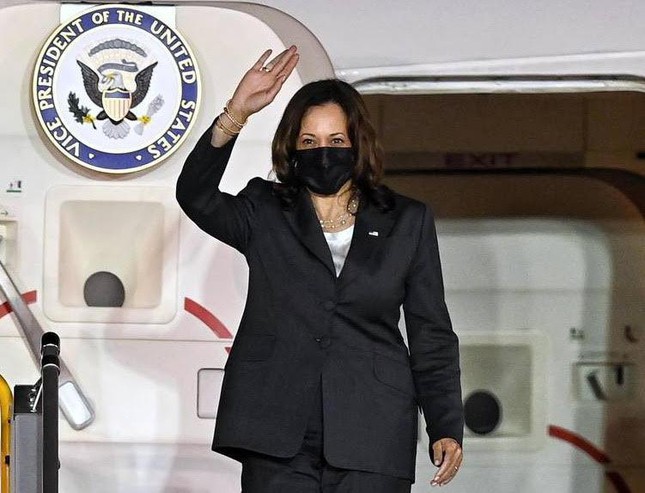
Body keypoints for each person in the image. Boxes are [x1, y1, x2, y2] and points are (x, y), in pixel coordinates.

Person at [176, 45, 464, 492]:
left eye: (336, 141)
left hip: (373, 428)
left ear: (357, 145)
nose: (323, 152)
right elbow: (195, 195)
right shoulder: (264, 209)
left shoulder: (407, 220)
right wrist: (237, 113)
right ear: (292, 148)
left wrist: (445, 423)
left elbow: (431, 330)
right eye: (309, 142)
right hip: (275, 428)